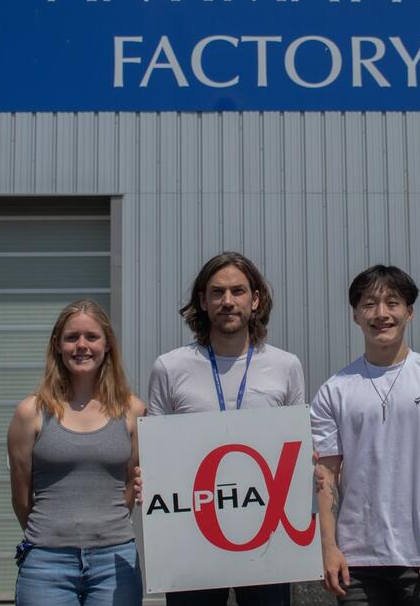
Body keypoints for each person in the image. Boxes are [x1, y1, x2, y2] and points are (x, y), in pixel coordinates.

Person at [311, 265, 420, 605]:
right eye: (369, 304)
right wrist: (328, 548)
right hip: (355, 561)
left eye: (392, 302)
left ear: (409, 312)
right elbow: (325, 474)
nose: (381, 313)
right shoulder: (335, 390)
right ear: (356, 315)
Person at [146, 251, 306, 605]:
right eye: (217, 293)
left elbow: (295, 449)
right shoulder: (170, 367)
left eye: (238, 291)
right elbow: (157, 454)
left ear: (256, 299)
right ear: (202, 302)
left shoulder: (286, 366)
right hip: (193, 538)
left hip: (268, 539)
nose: (228, 302)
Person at [7, 298, 146, 606]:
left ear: (107, 344)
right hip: (46, 564)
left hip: (115, 561)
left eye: (91, 337)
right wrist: (55, 538)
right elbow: (20, 496)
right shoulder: (30, 413)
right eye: (72, 338)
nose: (81, 345)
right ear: (58, 344)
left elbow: (129, 485)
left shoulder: (133, 410)